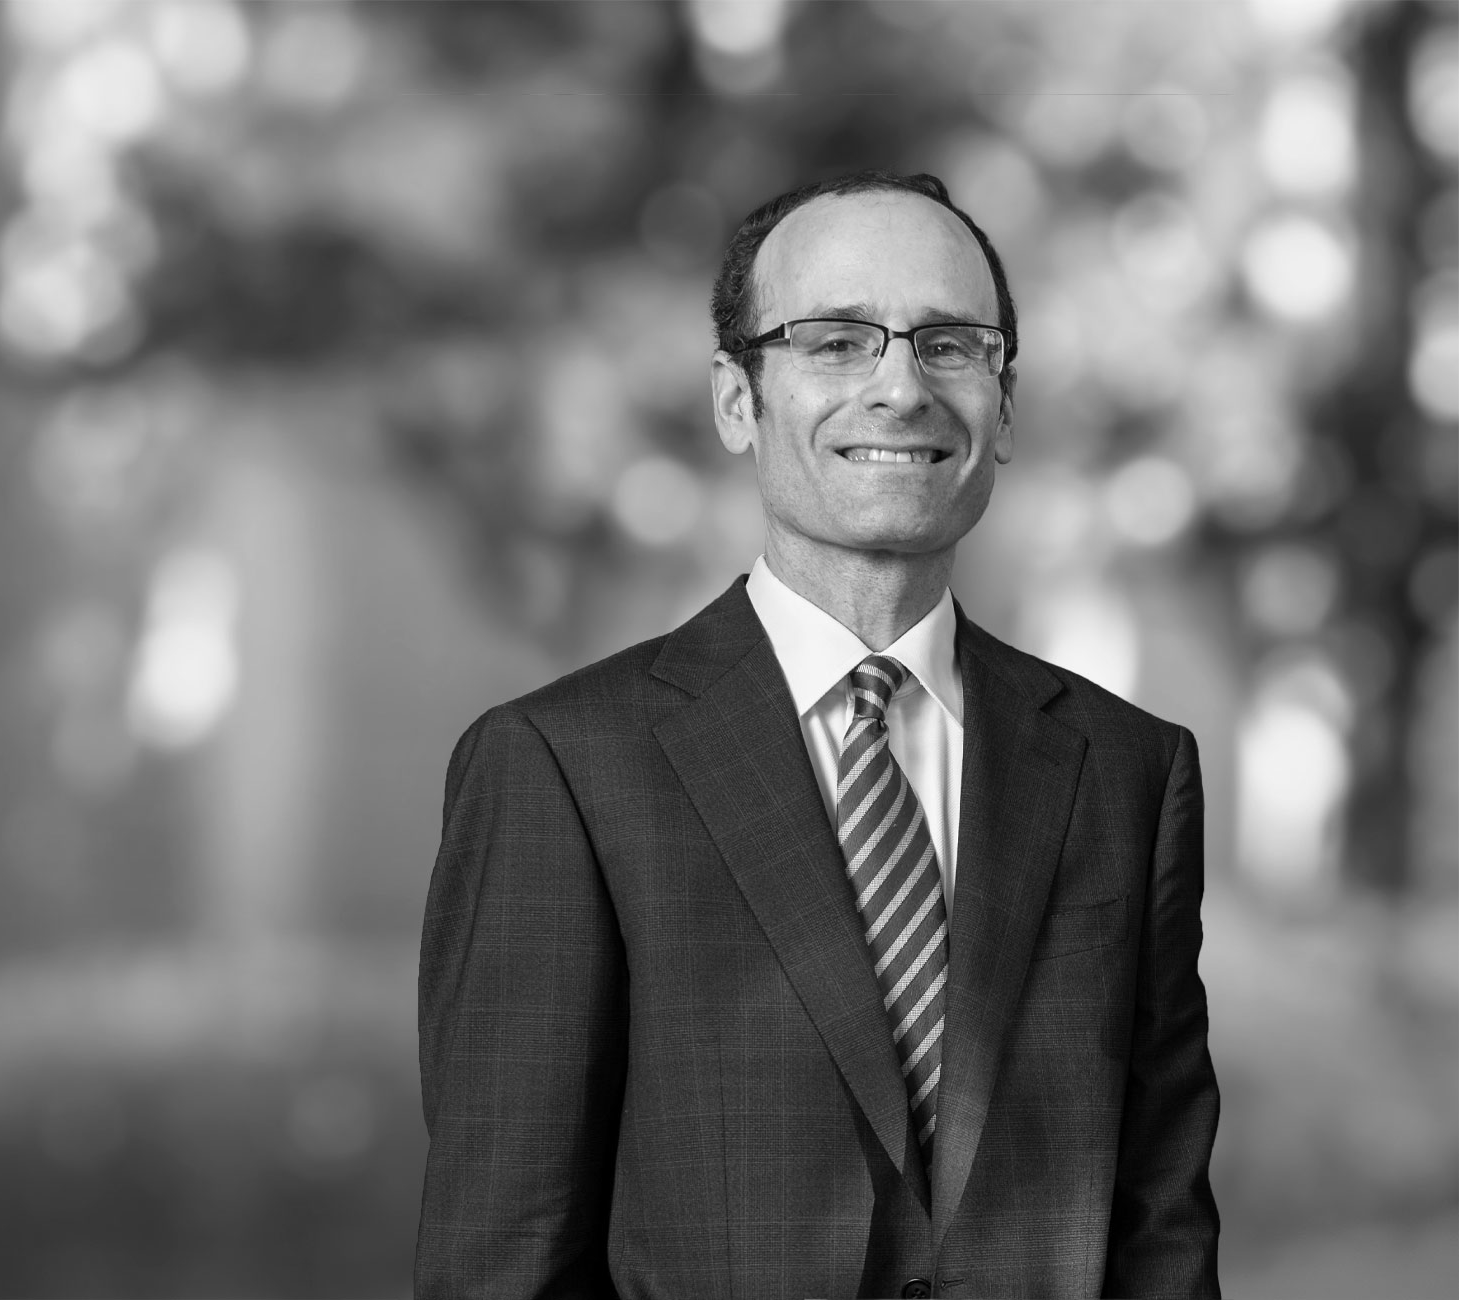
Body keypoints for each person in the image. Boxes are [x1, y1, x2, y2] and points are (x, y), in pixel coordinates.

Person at [416, 170, 1220, 1299]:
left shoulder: (1128, 772)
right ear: (735, 400)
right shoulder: (558, 769)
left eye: (949, 344)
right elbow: (502, 1262)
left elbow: (1161, 1233)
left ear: (1004, 404)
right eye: (836, 342)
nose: (899, 388)